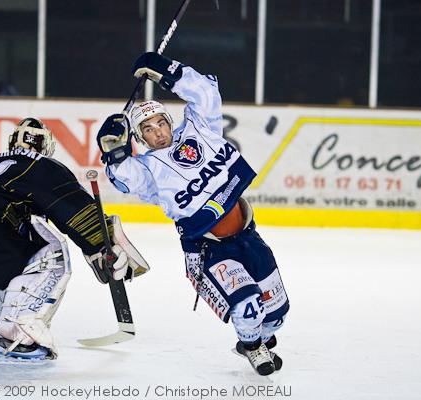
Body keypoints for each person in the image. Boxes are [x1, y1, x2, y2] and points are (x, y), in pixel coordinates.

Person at [96, 53, 290, 376]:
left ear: (170, 122)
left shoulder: (201, 129)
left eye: (161, 123)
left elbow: (206, 93)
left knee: (277, 314)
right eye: (148, 129)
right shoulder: (149, 171)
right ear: (140, 139)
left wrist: (168, 71)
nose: (158, 132)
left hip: (248, 236)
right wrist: (113, 149)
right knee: (247, 305)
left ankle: (258, 337)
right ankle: (253, 345)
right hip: (208, 250)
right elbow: (123, 175)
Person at [0, 118, 148, 363]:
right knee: (50, 256)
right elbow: (70, 204)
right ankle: (16, 333)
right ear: (44, 144)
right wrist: (102, 244)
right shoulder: (39, 164)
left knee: (26, 260)